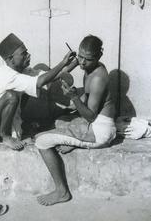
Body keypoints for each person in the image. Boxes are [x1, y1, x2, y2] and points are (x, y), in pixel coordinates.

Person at [35, 35, 116, 205]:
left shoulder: (98, 78)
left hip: (99, 131)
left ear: (99, 56)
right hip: (94, 124)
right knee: (58, 120)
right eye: (80, 56)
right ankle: (74, 141)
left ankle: (62, 191)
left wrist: (75, 98)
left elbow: (91, 116)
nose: (82, 62)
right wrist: (68, 62)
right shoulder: (92, 66)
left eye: (87, 59)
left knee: (41, 141)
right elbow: (63, 75)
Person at [0, 33, 77, 150]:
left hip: (0, 120)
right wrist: (63, 62)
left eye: (27, 52)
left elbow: (51, 76)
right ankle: (5, 136)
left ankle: (11, 130)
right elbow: (40, 82)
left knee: (27, 91)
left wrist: (76, 62)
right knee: (11, 96)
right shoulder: (5, 74)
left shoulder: (23, 70)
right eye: (24, 54)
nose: (28, 56)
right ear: (11, 59)